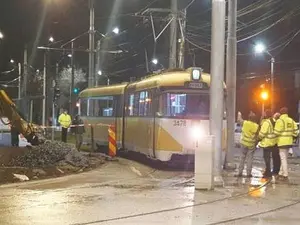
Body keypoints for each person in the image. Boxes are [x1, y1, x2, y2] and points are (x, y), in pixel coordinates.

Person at [274, 107, 299, 181]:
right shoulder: (291, 121)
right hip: (289, 142)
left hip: (282, 142)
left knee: (283, 158)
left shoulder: (280, 121)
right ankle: (280, 173)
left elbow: (276, 132)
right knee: (284, 158)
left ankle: (285, 175)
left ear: (281, 113)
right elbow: (296, 132)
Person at [235, 112, 259, 177]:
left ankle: (240, 172)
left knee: (242, 158)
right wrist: (256, 144)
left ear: (249, 118)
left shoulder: (245, 123)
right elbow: (257, 136)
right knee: (250, 159)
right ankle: (248, 173)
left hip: (244, 143)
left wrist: (239, 114)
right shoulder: (256, 126)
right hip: (251, 144)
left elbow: (239, 120)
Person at [258, 109, 280, 178]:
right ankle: (275, 171)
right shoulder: (275, 121)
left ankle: (268, 172)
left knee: (267, 158)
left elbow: (262, 133)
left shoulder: (266, 123)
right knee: (275, 157)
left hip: (267, 143)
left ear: (266, 114)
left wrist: (258, 138)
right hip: (274, 142)